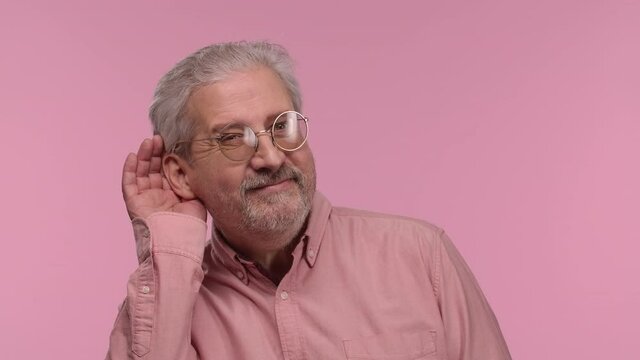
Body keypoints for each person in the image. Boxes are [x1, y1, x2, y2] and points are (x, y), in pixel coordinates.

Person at [106, 41, 511, 360]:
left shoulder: (421, 256)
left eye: (282, 126)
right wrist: (171, 245)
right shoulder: (168, 300)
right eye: (232, 138)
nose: (271, 157)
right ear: (181, 173)